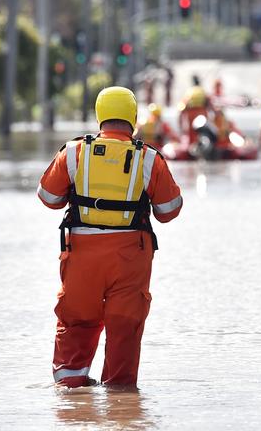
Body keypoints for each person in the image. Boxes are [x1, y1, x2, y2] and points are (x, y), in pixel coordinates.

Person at [37, 86, 184, 388]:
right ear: (133, 117)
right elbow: (169, 211)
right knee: (125, 325)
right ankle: (121, 399)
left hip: (81, 254)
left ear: (99, 115)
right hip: (131, 256)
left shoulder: (74, 152)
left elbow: (49, 198)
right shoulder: (148, 158)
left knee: (77, 318)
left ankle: (70, 395)